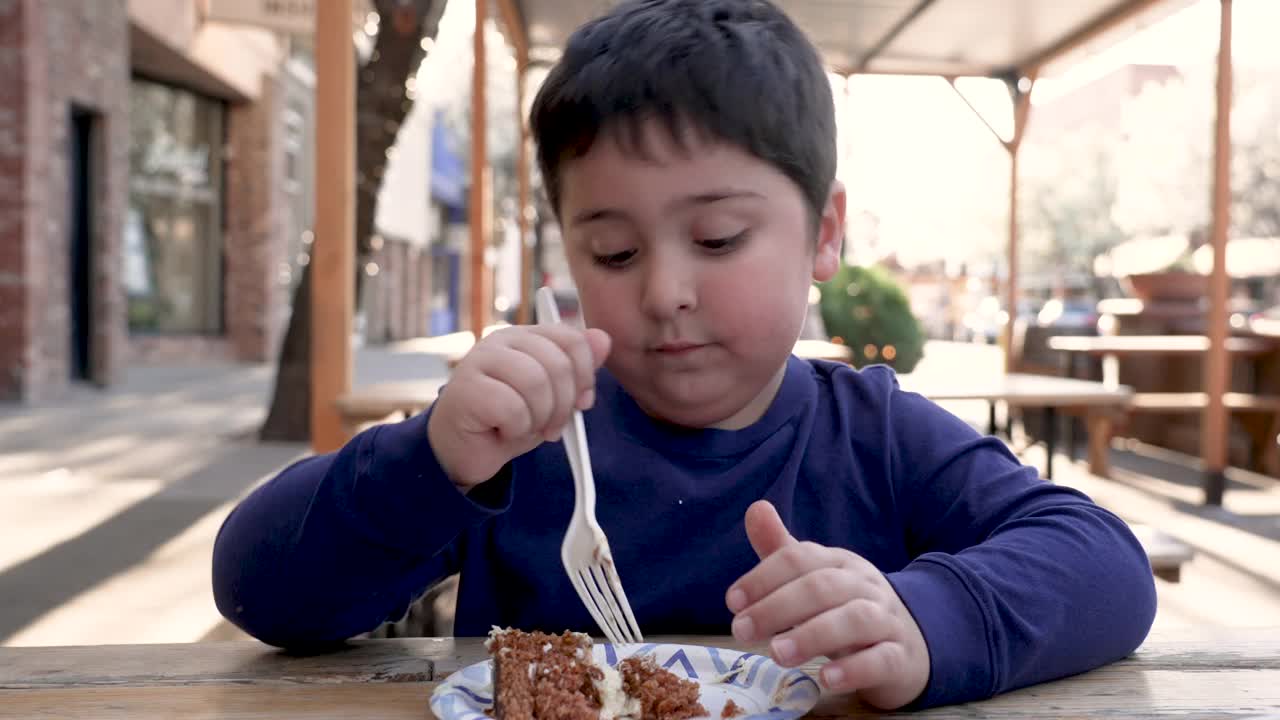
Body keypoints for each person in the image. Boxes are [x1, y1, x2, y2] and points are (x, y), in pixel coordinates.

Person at [212, 0, 1156, 710]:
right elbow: (257, 587)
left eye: (717, 239)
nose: (664, 291)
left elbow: (1106, 565)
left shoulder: (876, 437)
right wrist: (432, 461)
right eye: (614, 253)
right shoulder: (528, 442)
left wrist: (925, 620)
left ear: (823, 233)